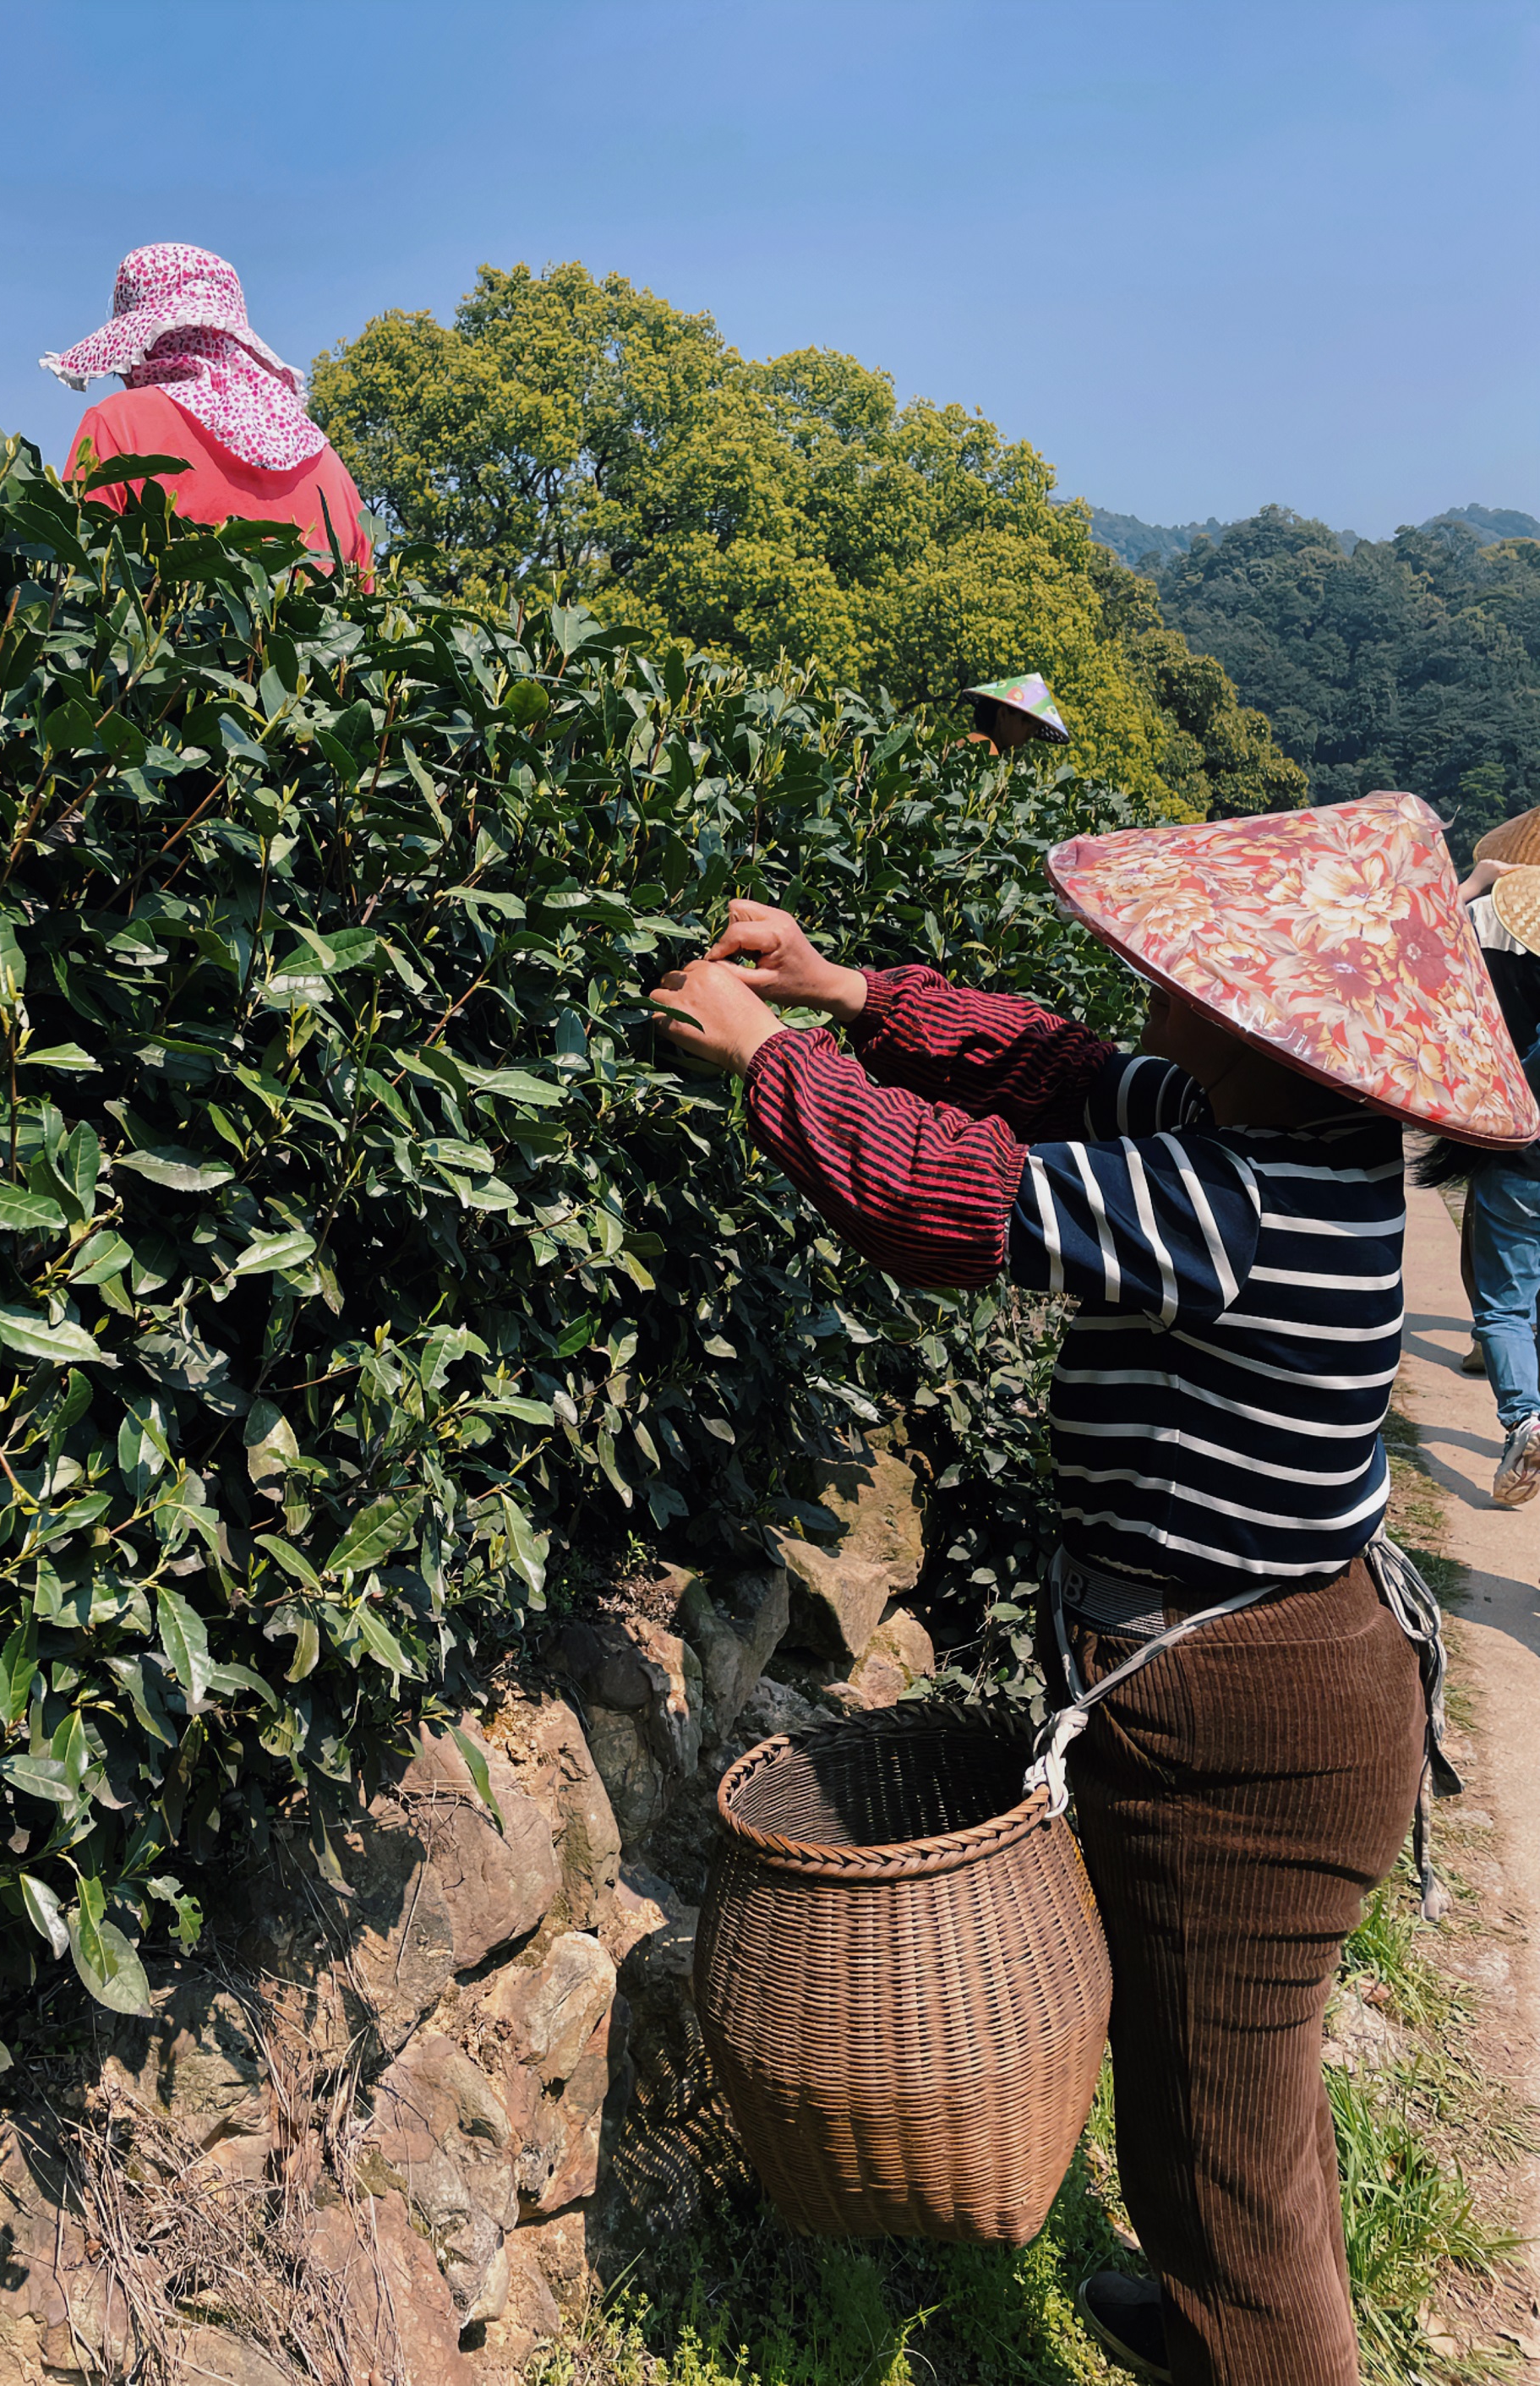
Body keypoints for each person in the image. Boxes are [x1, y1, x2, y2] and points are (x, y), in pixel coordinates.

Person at [650, 792, 1535, 2386]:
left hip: (1248, 1709)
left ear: (1258, 1024)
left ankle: (1254, 2341)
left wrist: (766, 1063)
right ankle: (1208, 2313)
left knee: (1221, 2121)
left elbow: (949, 1196)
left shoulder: (1231, 1197)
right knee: (1226, 2075)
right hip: (1280, 1672)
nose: (1148, 981)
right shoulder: (1278, 1128)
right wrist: (845, 988)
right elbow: (1049, 1068)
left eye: (1189, 969)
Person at [41, 244, 373, 575]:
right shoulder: (329, 466)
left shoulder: (120, 425)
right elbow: (364, 613)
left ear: (140, 343)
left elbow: (76, 578)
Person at [1423, 853, 1540, 1502]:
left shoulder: (1493, 958)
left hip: (1515, 1158)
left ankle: (1523, 1415)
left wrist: (1471, 883)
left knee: (1503, 1307)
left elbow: (1418, 938)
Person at [963, 671, 1071, 756]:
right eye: (1027, 721)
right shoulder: (984, 748)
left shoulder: (975, 742)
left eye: (1036, 728)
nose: (1031, 732)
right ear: (1003, 714)